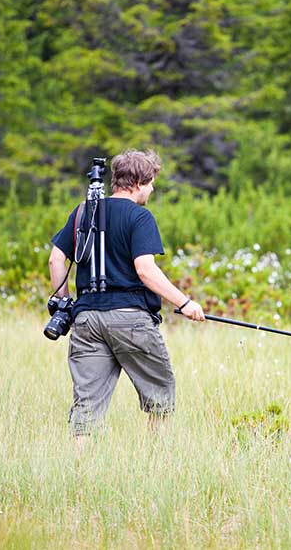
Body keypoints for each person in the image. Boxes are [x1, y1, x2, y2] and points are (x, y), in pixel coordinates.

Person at [47, 149, 204, 439]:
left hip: (86, 320)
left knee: (87, 404)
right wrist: (185, 302)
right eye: (151, 182)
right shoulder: (140, 217)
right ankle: (157, 463)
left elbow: (56, 259)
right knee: (160, 396)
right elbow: (145, 269)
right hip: (130, 320)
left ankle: (79, 473)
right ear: (138, 183)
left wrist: (63, 302)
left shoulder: (83, 211)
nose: (153, 188)